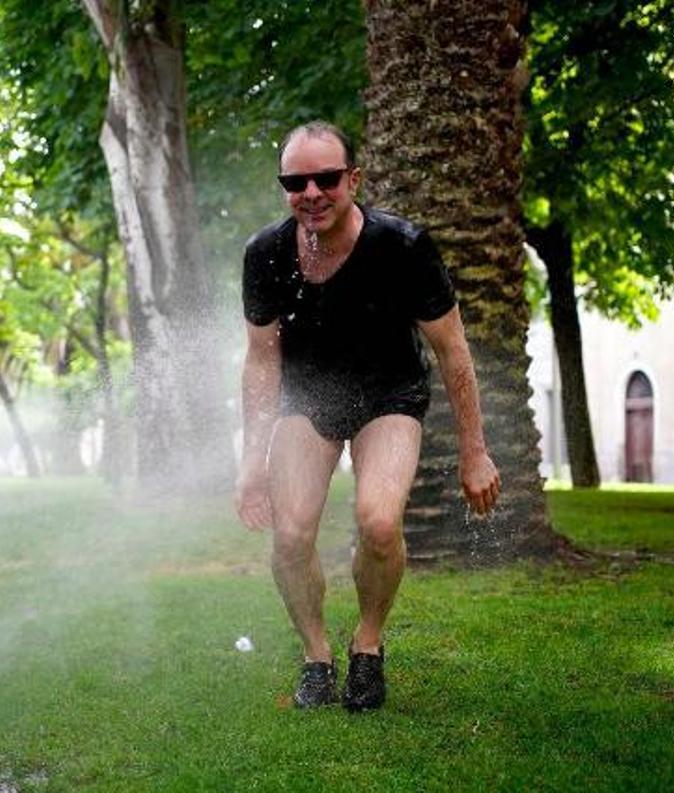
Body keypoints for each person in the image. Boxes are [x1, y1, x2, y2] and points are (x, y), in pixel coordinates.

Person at [235, 121, 501, 711]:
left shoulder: (402, 246)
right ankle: (316, 656)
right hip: (309, 402)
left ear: (352, 179)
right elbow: (260, 365)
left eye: (326, 178)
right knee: (291, 533)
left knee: (379, 523)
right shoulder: (266, 255)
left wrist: (474, 450)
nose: (311, 192)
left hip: (389, 396)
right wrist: (251, 461)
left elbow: (453, 351)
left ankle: (369, 644)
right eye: (295, 181)